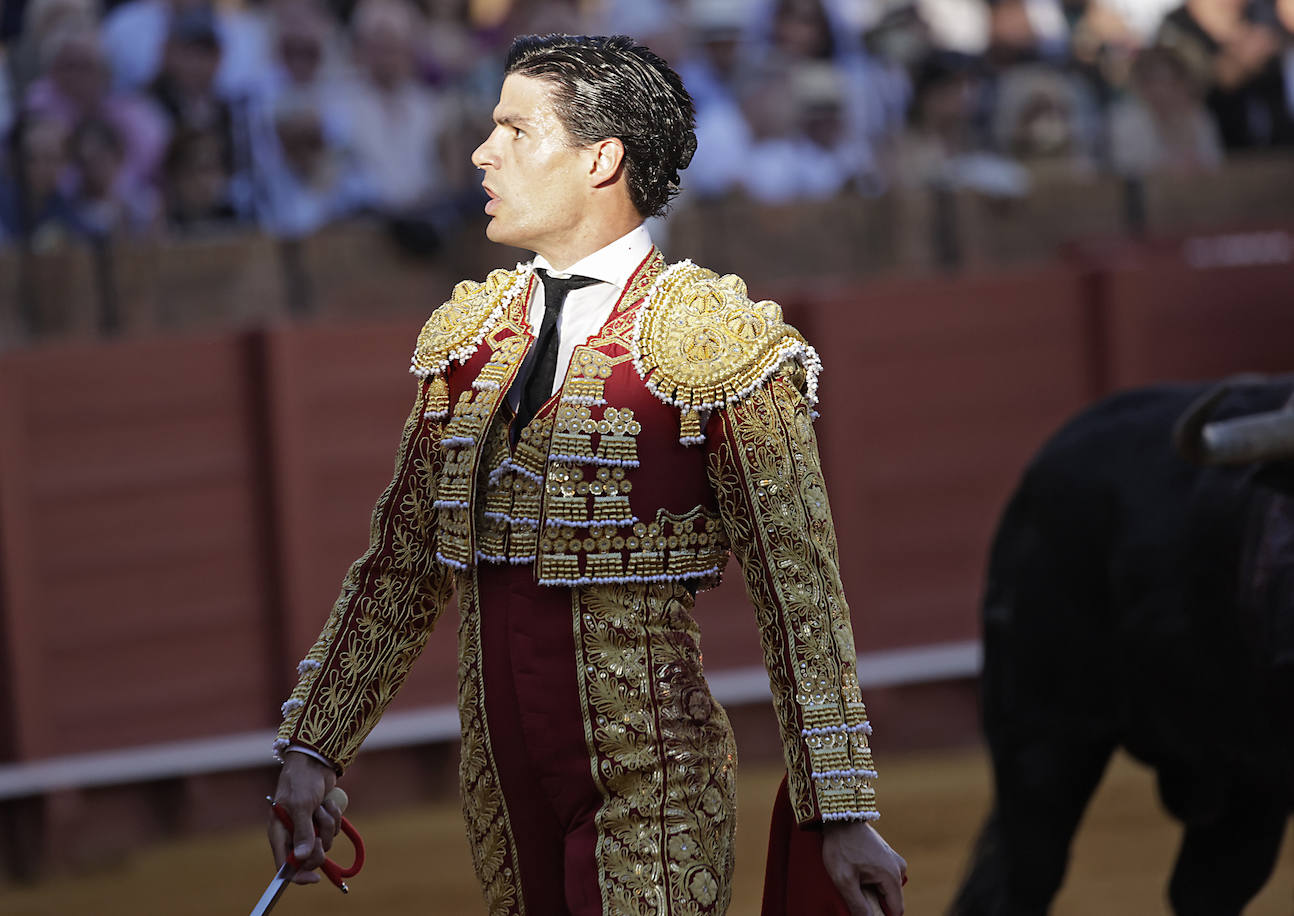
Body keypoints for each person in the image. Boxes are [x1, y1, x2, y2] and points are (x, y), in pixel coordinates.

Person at [266, 33, 907, 916]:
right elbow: (401, 566)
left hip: (658, 786)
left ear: (602, 158)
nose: (484, 152)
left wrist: (841, 809)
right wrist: (314, 749)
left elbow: (801, 596)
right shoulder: (468, 339)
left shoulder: (718, 343)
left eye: (516, 131)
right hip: (501, 796)